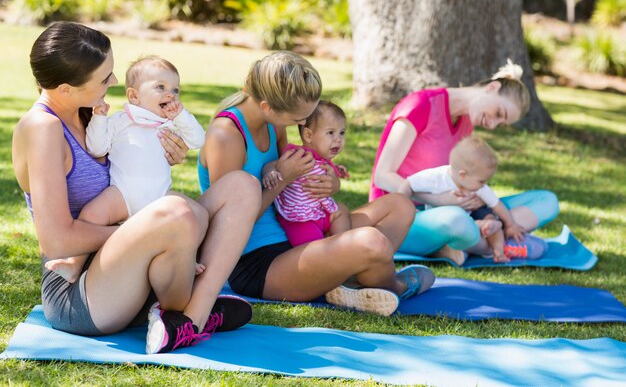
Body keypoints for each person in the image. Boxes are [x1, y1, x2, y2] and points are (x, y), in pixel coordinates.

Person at [12, 22, 259, 355]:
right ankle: (185, 303)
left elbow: (128, 168)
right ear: (66, 89)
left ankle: (190, 319)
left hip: (132, 270)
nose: (114, 82)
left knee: (242, 186)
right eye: (104, 78)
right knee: (176, 212)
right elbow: (56, 240)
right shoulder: (42, 128)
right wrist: (146, 228)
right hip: (81, 293)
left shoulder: (88, 113)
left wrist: (159, 158)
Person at [198, 51, 436, 317]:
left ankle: (349, 279)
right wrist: (283, 179)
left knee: (400, 206)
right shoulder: (226, 137)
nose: (302, 124)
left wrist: (329, 184)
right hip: (260, 263)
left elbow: (296, 179)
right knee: (373, 242)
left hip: (300, 230)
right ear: (268, 106)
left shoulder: (273, 123)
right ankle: (395, 284)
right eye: (297, 118)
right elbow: (226, 227)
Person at [370, 60, 560, 265]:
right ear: (492, 88)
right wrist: (439, 200)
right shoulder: (420, 105)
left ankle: (471, 242)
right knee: (455, 220)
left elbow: (458, 177)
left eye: (500, 123)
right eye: (498, 114)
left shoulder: (467, 122)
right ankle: (495, 244)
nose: (493, 125)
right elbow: (382, 175)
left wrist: (474, 196)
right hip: (402, 216)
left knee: (547, 201)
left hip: (457, 211)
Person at [45, 55, 207, 283]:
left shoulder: (171, 124)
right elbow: (96, 147)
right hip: (122, 193)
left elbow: (198, 140)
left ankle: (186, 258)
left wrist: (181, 116)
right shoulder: (121, 120)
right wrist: (99, 119)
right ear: (134, 95)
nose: (170, 94)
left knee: (192, 216)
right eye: (160, 87)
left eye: (176, 90)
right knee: (91, 215)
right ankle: (74, 263)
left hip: (160, 197)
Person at [400, 135, 546, 263]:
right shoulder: (435, 178)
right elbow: (408, 184)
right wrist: (402, 208)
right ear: (463, 175)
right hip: (448, 221)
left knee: (493, 221)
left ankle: (498, 252)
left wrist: (510, 225)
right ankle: (481, 232)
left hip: (471, 215)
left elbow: (497, 205)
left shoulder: (479, 187)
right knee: (465, 223)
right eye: (482, 181)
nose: (484, 185)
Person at [262, 100, 351, 247]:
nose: (338, 139)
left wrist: (337, 171)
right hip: (299, 220)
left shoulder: (323, 159)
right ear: (308, 136)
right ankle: (333, 252)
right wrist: (270, 172)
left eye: (342, 133)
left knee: (341, 212)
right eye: (330, 133)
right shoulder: (297, 155)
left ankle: (343, 244)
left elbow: (324, 172)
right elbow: (272, 164)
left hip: (321, 213)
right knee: (317, 250)